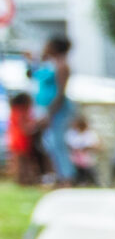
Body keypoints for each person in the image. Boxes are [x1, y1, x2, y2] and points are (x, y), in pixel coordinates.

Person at [33, 36, 74, 185]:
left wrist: (50, 113)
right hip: (47, 108)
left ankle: (67, 178)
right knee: (49, 143)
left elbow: (60, 93)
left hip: (58, 110)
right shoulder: (50, 63)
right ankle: (59, 176)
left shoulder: (62, 65)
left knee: (58, 143)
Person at [6, 92, 37, 187]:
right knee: (22, 162)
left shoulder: (14, 111)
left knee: (19, 161)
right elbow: (24, 127)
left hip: (15, 138)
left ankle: (22, 179)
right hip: (20, 139)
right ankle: (23, 180)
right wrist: (34, 126)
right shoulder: (21, 111)